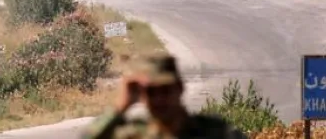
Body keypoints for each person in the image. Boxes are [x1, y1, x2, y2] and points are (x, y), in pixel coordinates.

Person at [84, 54, 247, 139]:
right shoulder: (133, 134)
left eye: (165, 90)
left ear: (180, 88)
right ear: (141, 94)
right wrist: (121, 106)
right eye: (151, 92)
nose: (159, 100)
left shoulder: (215, 132)